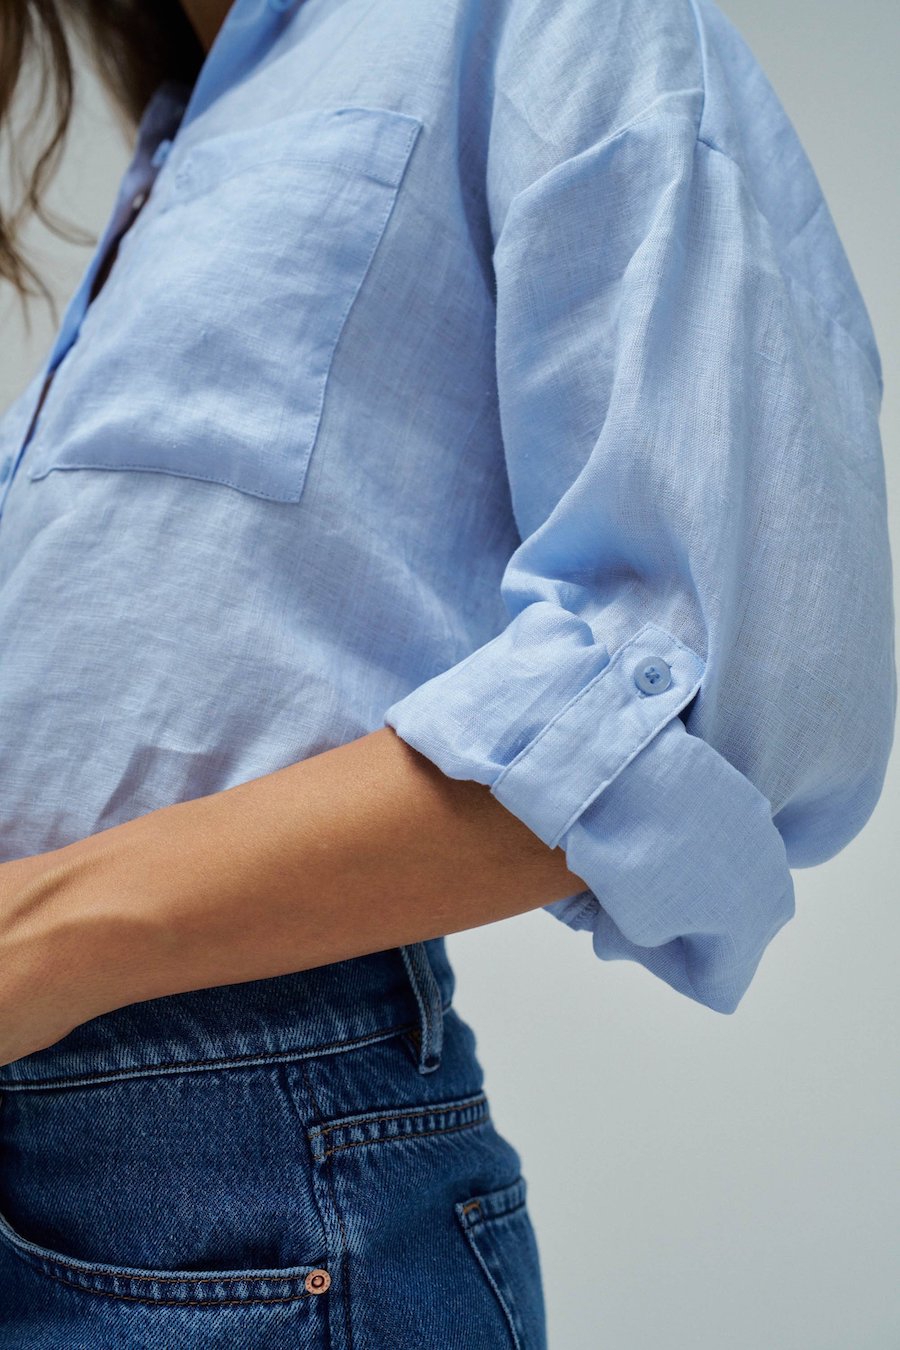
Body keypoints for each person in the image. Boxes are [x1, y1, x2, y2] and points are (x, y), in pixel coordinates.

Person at [0, 0, 893, 1344]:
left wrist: (45, 935)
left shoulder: (535, 19)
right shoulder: (199, 121)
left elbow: (699, 684)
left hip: (239, 1178)